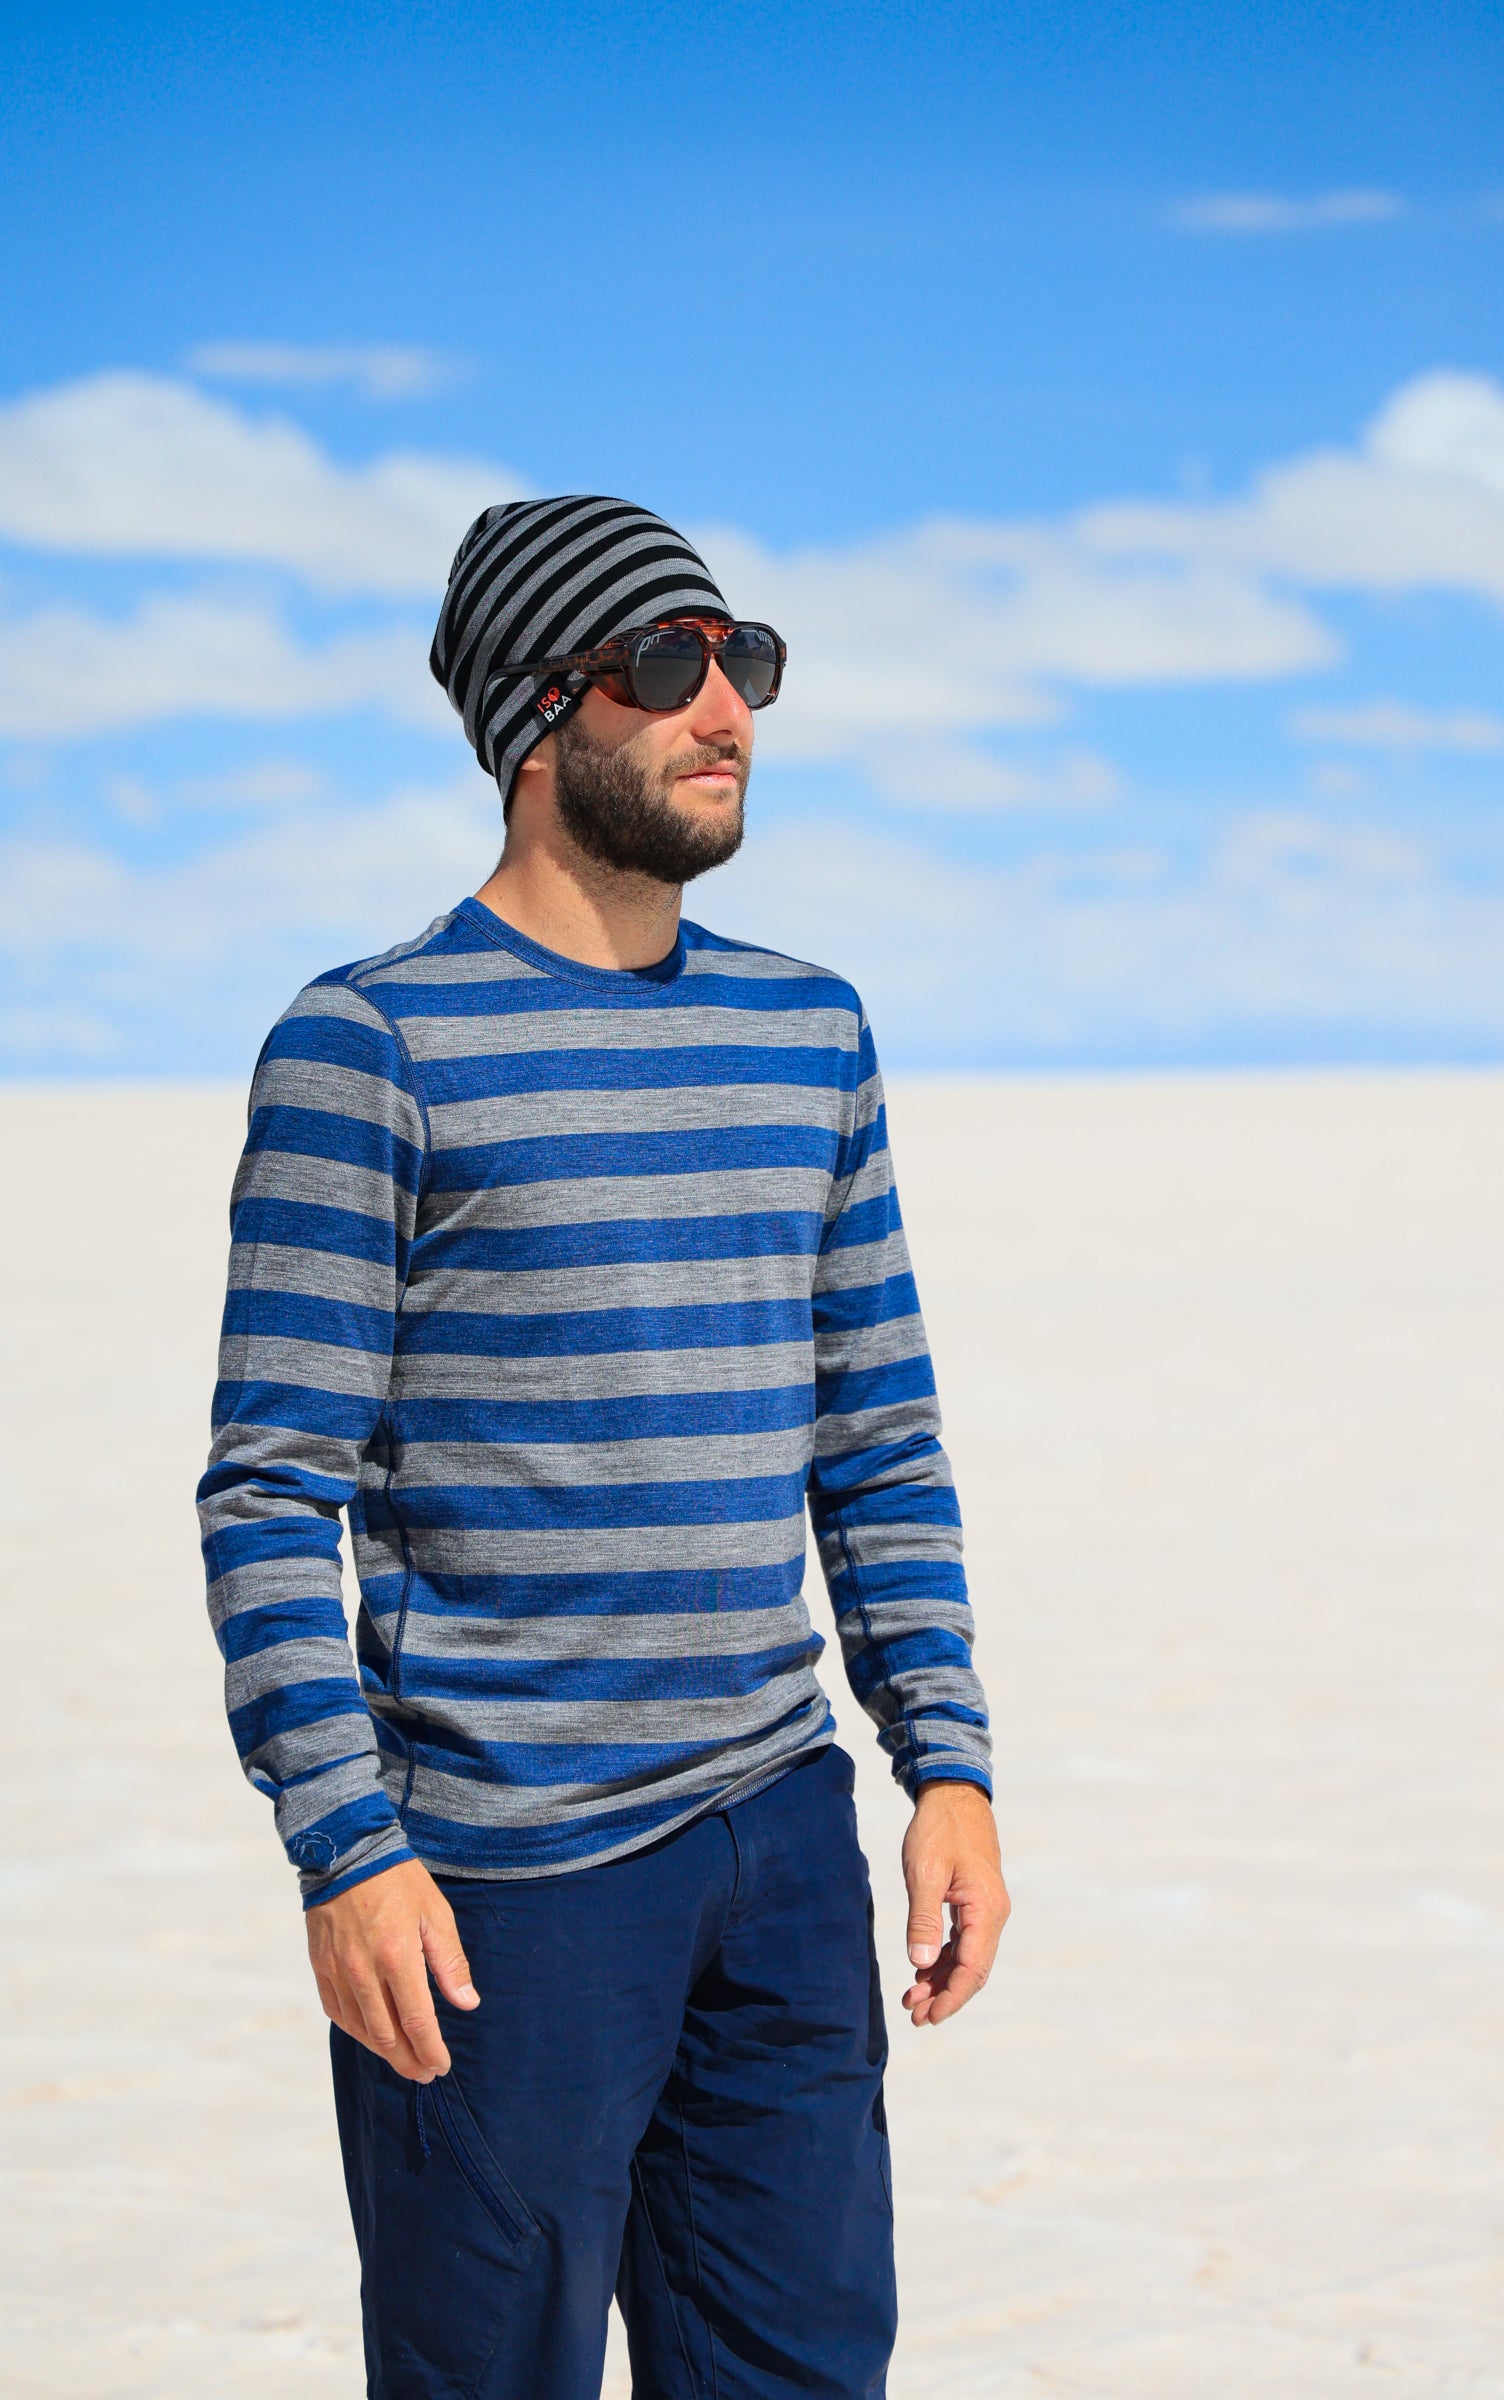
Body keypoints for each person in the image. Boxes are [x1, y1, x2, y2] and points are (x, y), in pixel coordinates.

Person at [198, 494, 1008, 2400]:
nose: (724, 706)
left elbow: (876, 1435)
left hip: (782, 1838)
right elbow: (268, 1493)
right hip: (500, 1892)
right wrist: (344, 1848)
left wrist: (944, 1764)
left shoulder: (811, 1030)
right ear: (533, 721)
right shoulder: (369, 1045)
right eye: (666, 666)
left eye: (748, 663)